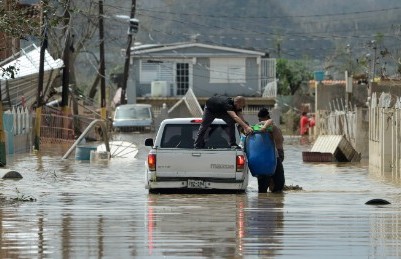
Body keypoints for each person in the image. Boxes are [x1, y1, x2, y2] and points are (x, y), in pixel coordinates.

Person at [256, 108, 285, 193]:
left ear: (261, 118)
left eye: (259, 119)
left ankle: (269, 193)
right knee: (274, 179)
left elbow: (270, 121)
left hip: (275, 154)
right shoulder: (274, 127)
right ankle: (272, 194)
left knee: (272, 178)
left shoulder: (267, 125)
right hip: (277, 154)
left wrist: (264, 127)